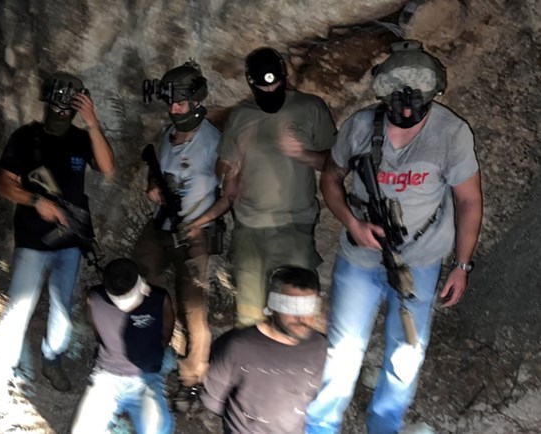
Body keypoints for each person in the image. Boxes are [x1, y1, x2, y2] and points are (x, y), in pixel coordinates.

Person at [305, 40, 483, 434]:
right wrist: (352, 223)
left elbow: (469, 201)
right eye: (396, 106)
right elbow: (331, 178)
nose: (404, 114)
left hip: (420, 258)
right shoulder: (360, 126)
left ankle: (385, 425)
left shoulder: (451, 133)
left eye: (414, 107)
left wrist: (462, 265)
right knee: (343, 349)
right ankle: (321, 425)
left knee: (407, 351)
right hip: (360, 256)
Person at [186, 46, 337, 327]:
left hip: (293, 225)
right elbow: (223, 169)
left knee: (296, 313)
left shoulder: (310, 108)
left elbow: (336, 163)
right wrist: (228, 169)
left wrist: (303, 154)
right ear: (251, 83)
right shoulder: (240, 116)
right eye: (263, 87)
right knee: (249, 317)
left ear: (283, 76)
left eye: (275, 84)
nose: (270, 91)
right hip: (249, 229)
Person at [0, 71, 115, 394]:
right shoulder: (25, 137)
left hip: (69, 240)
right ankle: (3, 370)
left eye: (67, 109)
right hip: (33, 239)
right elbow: (3, 183)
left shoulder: (81, 138)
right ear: (47, 104)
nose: (61, 114)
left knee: (63, 306)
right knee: (19, 306)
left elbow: (107, 167)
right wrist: (36, 201)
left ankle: (52, 361)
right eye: (56, 108)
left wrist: (92, 123)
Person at [132, 60, 221, 408]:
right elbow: (157, 171)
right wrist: (152, 186)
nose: (174, 109)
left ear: (197, 100)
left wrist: (203, 222)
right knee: (142, 285)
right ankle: (149, 350)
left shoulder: (215, 142)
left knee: (194, 309)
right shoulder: (167, 135)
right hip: (162, 225)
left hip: (195, 232)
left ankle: (193, 379)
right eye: (171, 103)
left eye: (181, 103)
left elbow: (231, 193)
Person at [201, 265, 328, 434]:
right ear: (272, 305)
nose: (301, 318)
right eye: (291, 306)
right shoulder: (236, 346)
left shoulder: (320, 347)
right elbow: (212, 399)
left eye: (308, 306)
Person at [70, 257, 175, 434]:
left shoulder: (159, 299)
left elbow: (166, 334)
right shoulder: (94, 298)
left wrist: (151, 356)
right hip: (107, 376)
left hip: (146, 378)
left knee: (158, 430)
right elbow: (98, 332)